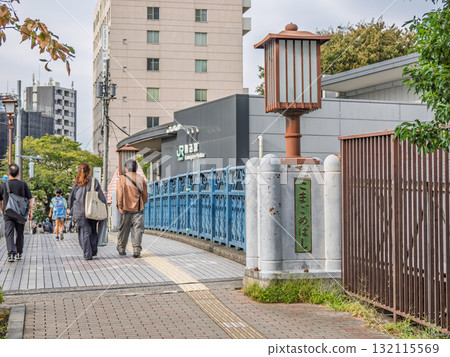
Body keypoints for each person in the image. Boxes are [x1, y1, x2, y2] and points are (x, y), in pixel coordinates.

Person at [68, 163, 106, 260]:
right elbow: (101, 196)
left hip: (79, 212)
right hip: (93, 211)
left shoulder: (77, 183)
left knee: (83, 232)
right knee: (93, 230)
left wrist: (71, 209)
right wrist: (104, 206)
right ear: (89, 171)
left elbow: (71, 199)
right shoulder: (94, 182)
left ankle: (87, 253)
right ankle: (92, 250)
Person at [0, 164, 33, 262]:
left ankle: (11, 254)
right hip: (20, 213)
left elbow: (0, 200)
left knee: (9, 233)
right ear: (18, 174)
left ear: (8, 173)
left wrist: (2, 209)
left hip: (8, 212)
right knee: (20, 233)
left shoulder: (3, 185)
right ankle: (19, 253)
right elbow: (29, 199)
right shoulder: (23, 184)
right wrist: (30, 212)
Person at [116, 159, 148, 258]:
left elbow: (120, 193)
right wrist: (141, 203)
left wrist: (119, 205)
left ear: (126, 168)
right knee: (138, 229)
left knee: (124, 229)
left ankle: (121, 248)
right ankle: (136, 249)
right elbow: (145, 195)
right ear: (136, 168)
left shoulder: (122, 178)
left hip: (126, 208)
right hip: (138, 209)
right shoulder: (140, 178)